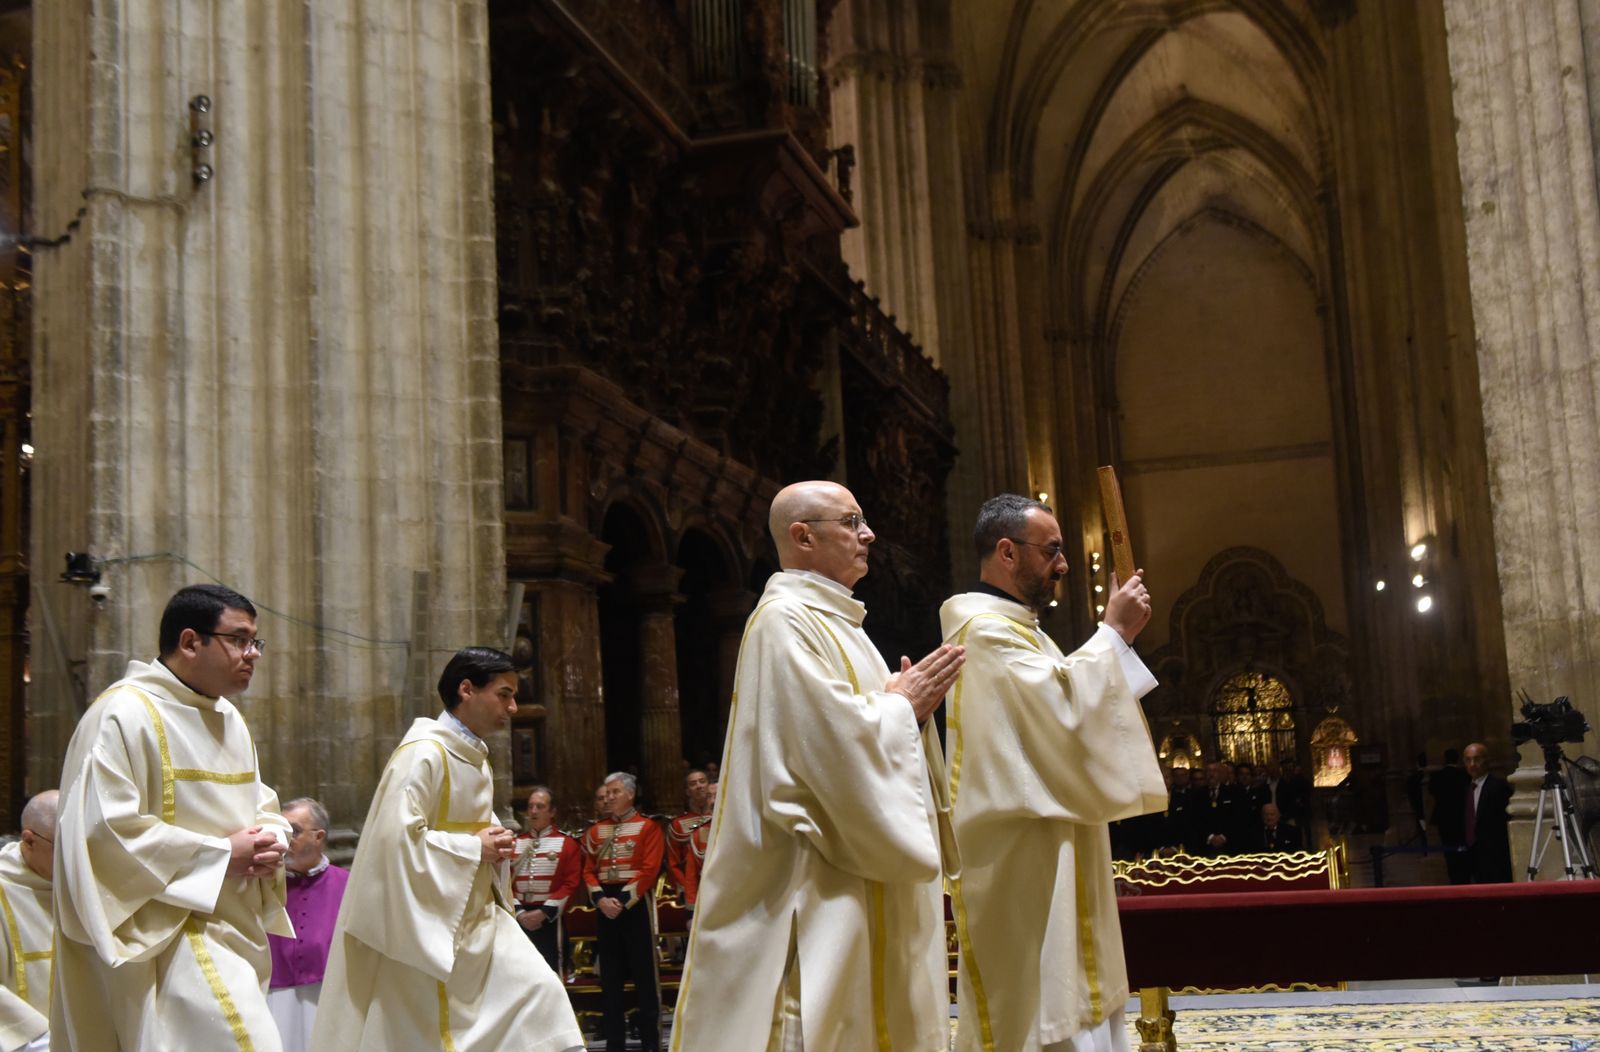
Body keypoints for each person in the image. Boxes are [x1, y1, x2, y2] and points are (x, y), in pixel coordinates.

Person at [670, 480, 965, 1052]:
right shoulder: (784, 621)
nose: (868, 534)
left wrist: (908, 713)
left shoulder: (841, 624)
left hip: (856, 871)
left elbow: (860, 724)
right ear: (803, 536)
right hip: (816, 877)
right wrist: (901, 708)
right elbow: (820, 747)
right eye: (852, 522)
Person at [940, 493, 1166, 1052]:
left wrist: (1114, 642)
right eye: (1052, 551)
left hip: (1054, 838)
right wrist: (1113, 635)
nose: (1063, 565)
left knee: (1078, 989)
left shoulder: (1028, 632)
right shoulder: (982, 631)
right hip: (1021, 855)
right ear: (1006, 552)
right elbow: (1063, 710)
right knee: (1042, 1002)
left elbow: (1070, 715)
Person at [52, 584, 293, 1051]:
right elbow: (102, 835)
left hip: (231, 924)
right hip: (161, 933)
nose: (253, 654)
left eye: (255, 642)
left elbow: (258, 802)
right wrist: (221, 856)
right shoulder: (123, 714)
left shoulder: (229, 719)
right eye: (239, 640)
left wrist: (273, 837)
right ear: (189, 642)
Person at [311, 648, 583, 1052]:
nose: (513, 708)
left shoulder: (475, 759)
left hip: (479, 920)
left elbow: (472, 831)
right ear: (466, 689)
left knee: (542, 996)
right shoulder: (423, 754)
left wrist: (494, 842)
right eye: (504, 694)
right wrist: (474, 847)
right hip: (429, 924)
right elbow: (393, 845)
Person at [581, 772, 664, 1052]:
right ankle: (614, 1043)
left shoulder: (648, 827)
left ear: (630, 794)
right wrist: (601, 899)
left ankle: (651, 1044)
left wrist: (622, 901)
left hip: (635, 905)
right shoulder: (596, 831)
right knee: (610, 979)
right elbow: (588, 870)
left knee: (644, 977)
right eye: (607, 793)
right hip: (605, 906)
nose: (609, 798)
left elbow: (649, 869)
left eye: (615, 792)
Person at [267, 797, 348, 1052]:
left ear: (318, 836)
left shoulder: (348, 885)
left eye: (293, 831)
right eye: (280, 830)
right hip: (274, 995)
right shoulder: (263, 883)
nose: (284, 840)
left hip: (328, 997)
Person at [1, 791, 57, 1052]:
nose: (77, 858)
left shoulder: (88, 888)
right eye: (63, 847)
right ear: (29, 841)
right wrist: (38, 1040)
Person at [511, 785, 582, 974]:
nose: (533, 811)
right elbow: (505, 883)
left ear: (552, 812)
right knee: (519, 974)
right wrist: (519, 913)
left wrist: (543, 913)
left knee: (552, 974)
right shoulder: (515, 843)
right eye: (530, 806)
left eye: (540, 806)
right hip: (519, 918)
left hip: (550, 918)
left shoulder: (568, 844)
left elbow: (571, 883)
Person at [1462, 742, 1513, 883]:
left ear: (1486, 760)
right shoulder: (1467, 789)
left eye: (1477, 759)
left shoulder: (1498, 787)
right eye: (1468, 760)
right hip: (1474, 854)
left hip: (1495, 856)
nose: (1472, 764)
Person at [664, 769, 713, 906]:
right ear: (687, 791)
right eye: (693, 784)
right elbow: (673, 863)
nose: (699, 786)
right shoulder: (678, 824)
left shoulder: (722, 818)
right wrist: (688, 887)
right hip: (692, 887)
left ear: (709, 786)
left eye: (702, 781)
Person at [1431, 748, 1472, 883]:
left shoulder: (1438, 776)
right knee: (1463, 848)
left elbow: (1432, 791)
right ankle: (1465, 877)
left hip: (1445, 818)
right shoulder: (1464, 774)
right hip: (1461, 817)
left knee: (1449, 850)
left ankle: (1454, 877)